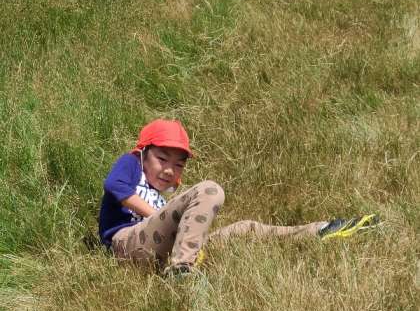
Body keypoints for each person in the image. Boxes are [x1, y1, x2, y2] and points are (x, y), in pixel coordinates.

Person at [98, 119, 379, 275]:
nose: (170, 170)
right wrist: (159, 215)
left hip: (162, 248)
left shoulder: (162, 192)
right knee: (209, 190)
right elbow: (114, 185)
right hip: (127, 243)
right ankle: (181, 269)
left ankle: (319, 230)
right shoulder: (131, 163)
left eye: (179, 164)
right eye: (162, 158)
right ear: (144, 152)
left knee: (245, 228)